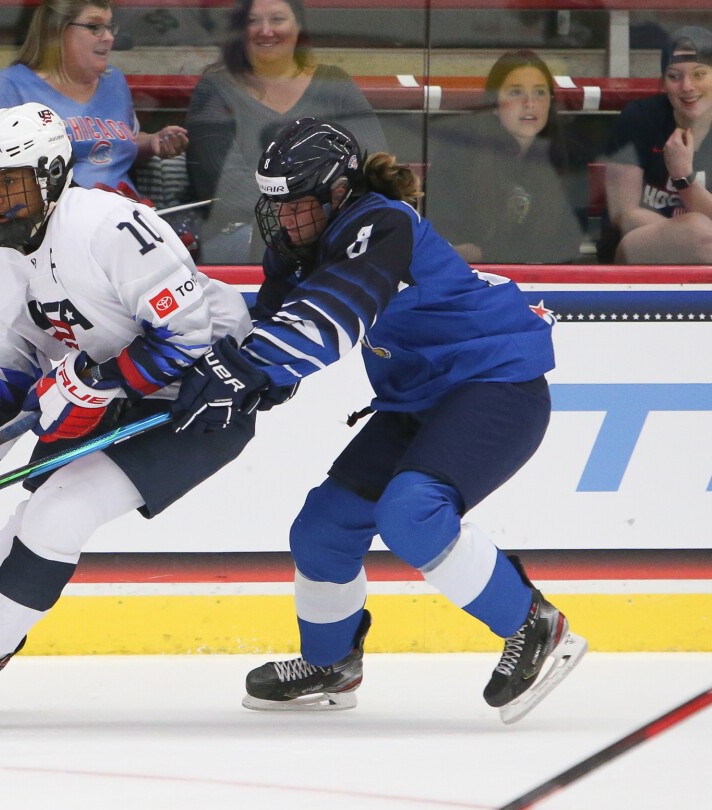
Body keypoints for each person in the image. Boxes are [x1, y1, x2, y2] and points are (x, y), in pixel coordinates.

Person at [173, 117, 587, 723]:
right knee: (321, 530)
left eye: (297, 206)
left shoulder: (379, 222)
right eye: (276, 206)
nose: (284, 220)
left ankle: (533, 624)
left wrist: (250, 371)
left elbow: (333, 317)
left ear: (338, 191)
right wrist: (226, 382)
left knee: (411, 512)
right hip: (416, 401)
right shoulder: (296, 249)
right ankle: (330, 663)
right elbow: (266, 338)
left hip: (495, 386)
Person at [0, 102, 254, 728]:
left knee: (58, 513)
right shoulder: (0, 269)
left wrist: (96, 380)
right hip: (112, 399)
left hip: (197, 402)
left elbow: (191, 337)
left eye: (11, 185)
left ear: (51, 175)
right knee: (23, 526)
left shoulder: (108, 228)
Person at [0, 0, 190, 260]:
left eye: (109, 27)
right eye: (94, 27)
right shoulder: (9, 86)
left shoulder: (114, 82)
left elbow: (115, 144)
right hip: (41, 244)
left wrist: (151, 143)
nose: (109, 37)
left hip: (121, 235)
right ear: (55, 31)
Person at [184, 0, 387, 263]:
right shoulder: (213, 91)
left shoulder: (334, 84)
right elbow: (226, 189)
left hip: (334, 224)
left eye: (277, 19)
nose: (265, 31)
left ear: (298, 26)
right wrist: (304, 214)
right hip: (245, 234)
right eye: (252, 21)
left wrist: (321, 217)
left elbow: (372, 162)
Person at [425, 49, 586, 264]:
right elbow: (445, 236)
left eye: (539, 92)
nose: (530, 103)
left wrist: (486, 254)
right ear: (494, 103)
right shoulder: (459, 153)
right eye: (515, 92)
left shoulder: (566, 155)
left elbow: (567, 243)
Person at [601, 25, 712, 264]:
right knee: (698, 233)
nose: (687, 86)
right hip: (633, 254)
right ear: (662, 83)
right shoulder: (639, 118)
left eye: (699, 74)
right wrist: (687, 236)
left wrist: (684, 179)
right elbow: (624, 217)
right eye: (674, 76)